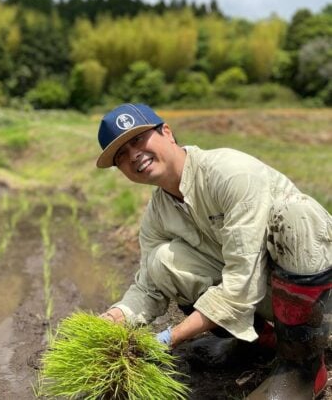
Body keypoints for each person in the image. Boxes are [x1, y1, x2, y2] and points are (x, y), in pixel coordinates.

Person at [97, 103, 331, 399]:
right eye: (121, 156)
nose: (133, 155)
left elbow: (240, 285)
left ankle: (303, 369)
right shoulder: (157, 214)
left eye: (137, 140)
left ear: (167, 132)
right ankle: (255, 342)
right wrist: (112, 318)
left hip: (322, 301)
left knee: (296, 214)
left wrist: (171, 337)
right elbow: (148, 287)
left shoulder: (229, 173)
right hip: (267, 292)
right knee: (161, 261)